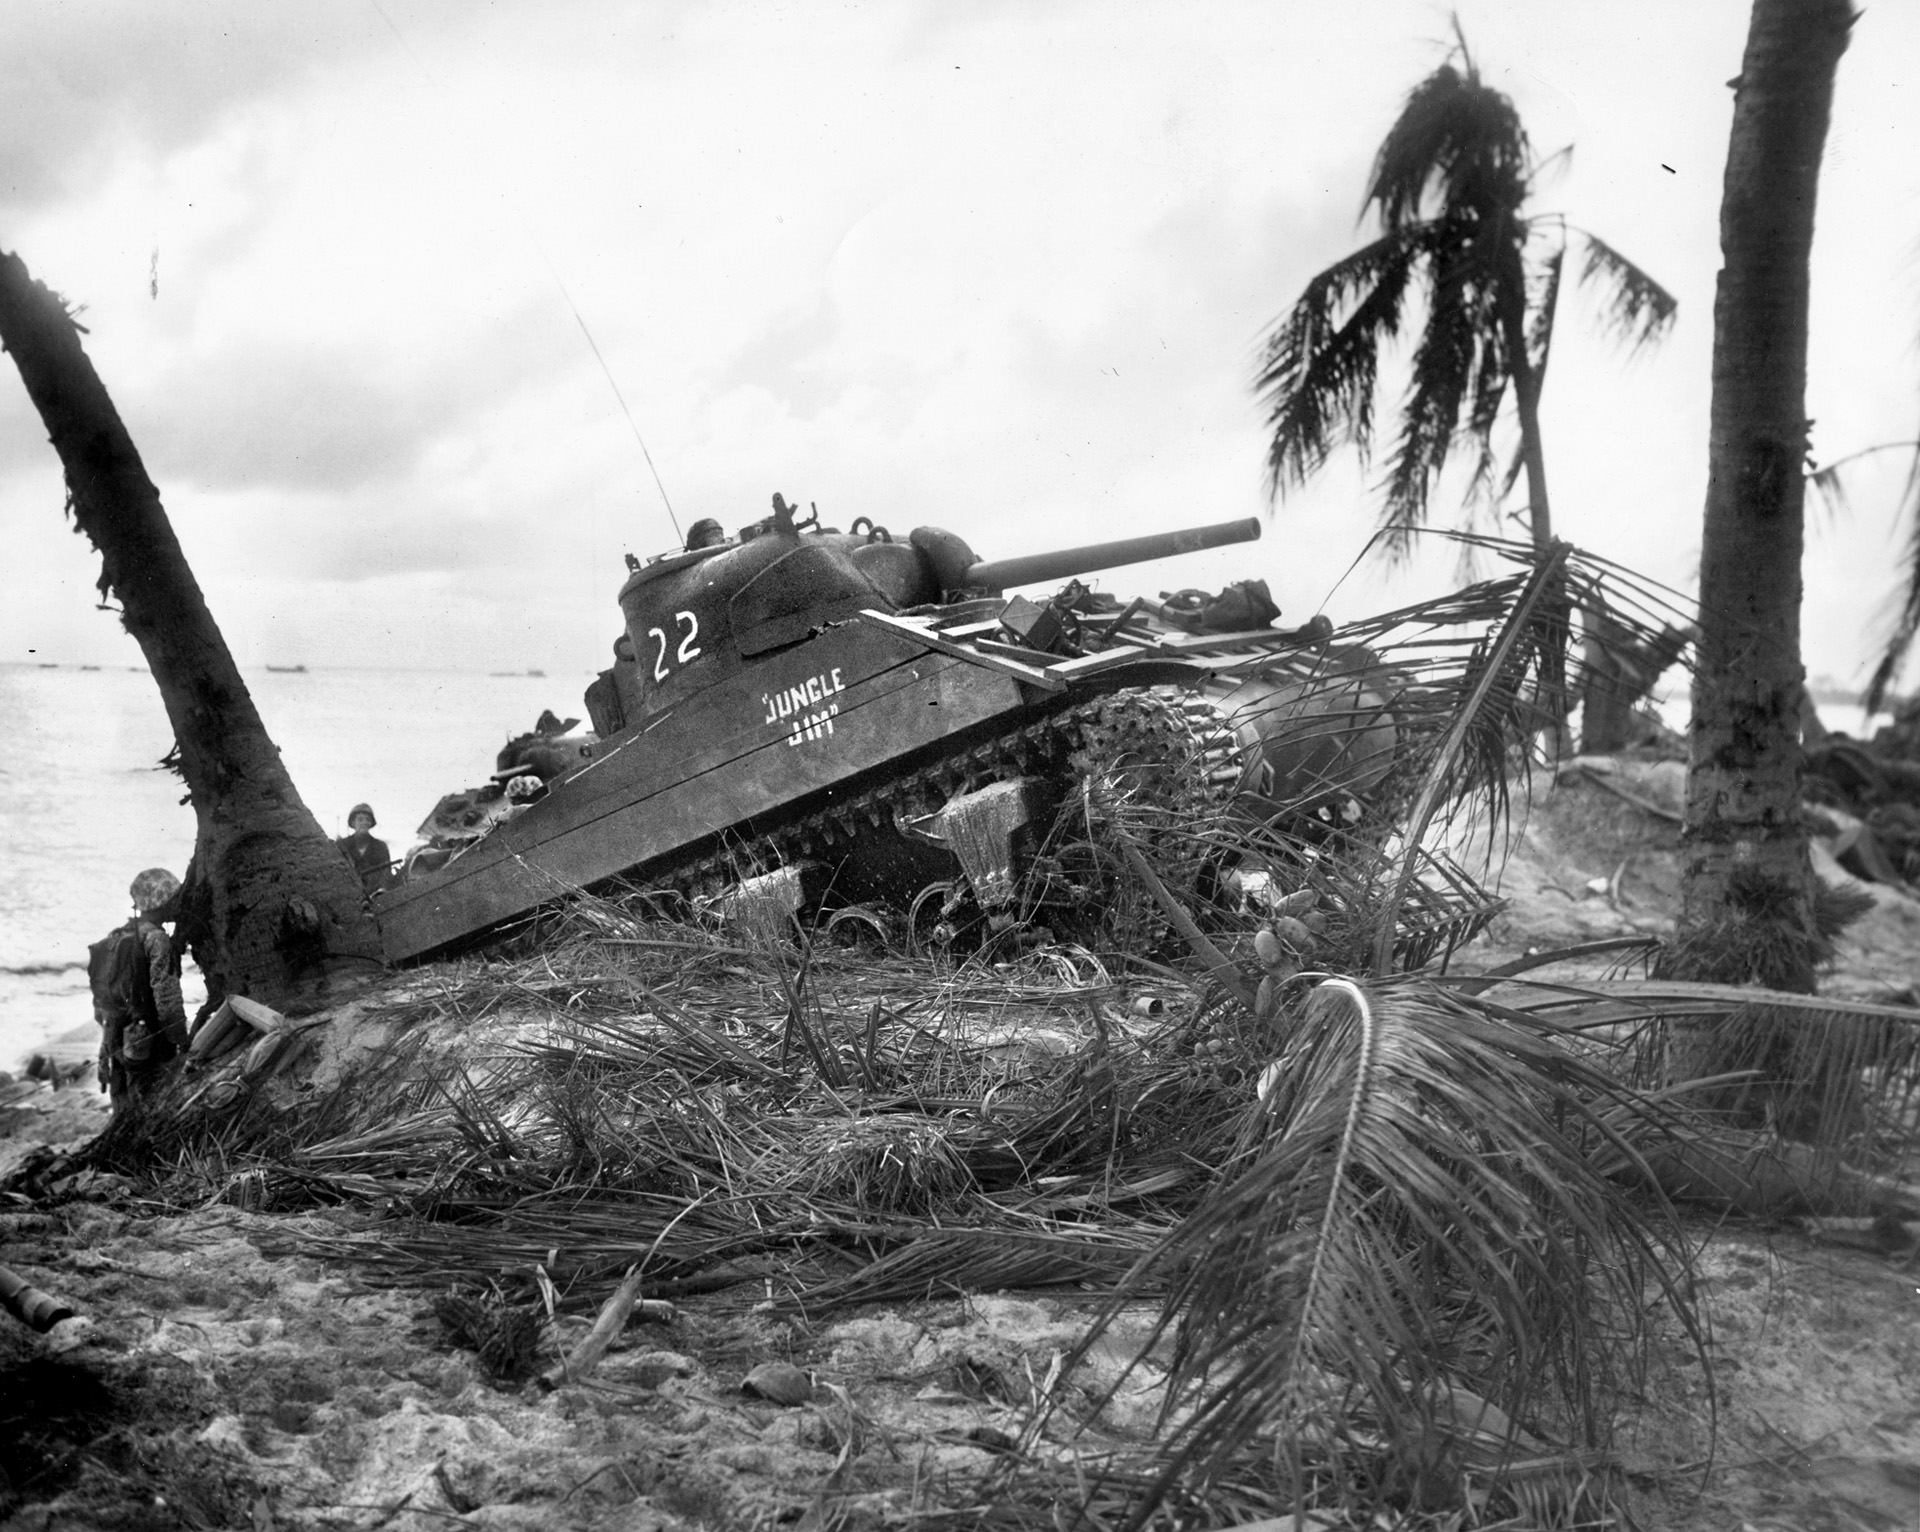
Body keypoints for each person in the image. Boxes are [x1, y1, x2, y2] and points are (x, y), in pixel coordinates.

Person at [88, 867, 190, 1104]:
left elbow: (103, 994)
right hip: (149, 1036)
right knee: (149, 1100)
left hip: (116, 1032)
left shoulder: (116, 936)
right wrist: (181, 1039)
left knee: (123, 1100)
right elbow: (167, 996)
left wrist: (106, 1044)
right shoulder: (157, 939)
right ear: (162, 902)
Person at [336, 803, 393, 892]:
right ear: (353, 823)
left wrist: (382, 889)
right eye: (360, 819)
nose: (364, 823)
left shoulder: (380, 847)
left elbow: (386, 874)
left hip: (375, 894)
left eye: (367, 820)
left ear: (371, 824)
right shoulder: (342, 845)